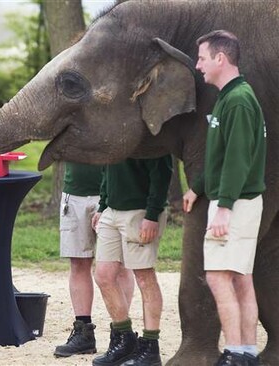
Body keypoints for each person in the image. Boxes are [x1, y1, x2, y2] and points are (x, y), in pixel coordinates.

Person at [183, 30, 266, 366]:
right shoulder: (229, 97)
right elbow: (220, 156)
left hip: (236, 203)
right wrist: (198, 187)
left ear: (220, 58)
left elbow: (237, 158)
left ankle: (233, 352)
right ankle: (246, 353)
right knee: (240, 278)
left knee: (219, 277)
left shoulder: (239, 100)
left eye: (202, 57)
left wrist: (225, 207)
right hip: (237, 201)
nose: (198, 65)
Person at [91, 156, 172, 366]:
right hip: (111, 210)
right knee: (103, 275)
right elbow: (107, 169)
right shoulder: (114, 132)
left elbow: (162, 173)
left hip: (140, 211)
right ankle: (124, 339)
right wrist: (102, 205)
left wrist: (152, 215)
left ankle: (150, 347)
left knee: (144, 276)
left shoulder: (150, 136)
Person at [54, 162, 134, 358]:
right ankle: (83, 333)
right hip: (75, 191)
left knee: (120, 265)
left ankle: (121, 332)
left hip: (114, 191)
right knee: (78, 262)